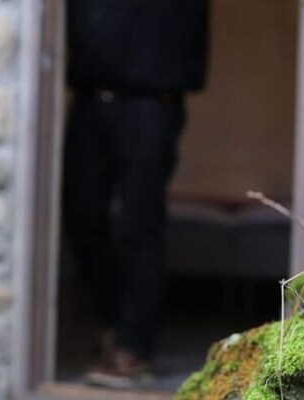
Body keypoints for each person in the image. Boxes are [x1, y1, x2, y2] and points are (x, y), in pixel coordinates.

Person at [63, 0, 209, 388]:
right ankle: (115, 322)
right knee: (81, 217)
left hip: (151, 105)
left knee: (140, 227)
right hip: (90, 100)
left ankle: (134, 347)